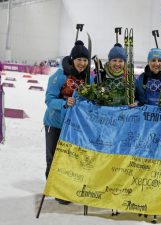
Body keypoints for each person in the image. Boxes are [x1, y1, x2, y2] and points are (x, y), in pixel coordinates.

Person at [43, 40, 90, 204]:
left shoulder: (87, 78)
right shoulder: (60, 75)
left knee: (69, 158)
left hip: (74, 126)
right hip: (55, 123)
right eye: (79, 59)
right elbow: (49, 100)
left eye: (85, 60)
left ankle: (65, 187)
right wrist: (64, 102)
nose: (82, 63)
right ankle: (53, 186)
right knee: (53, 157)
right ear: (72, 59)